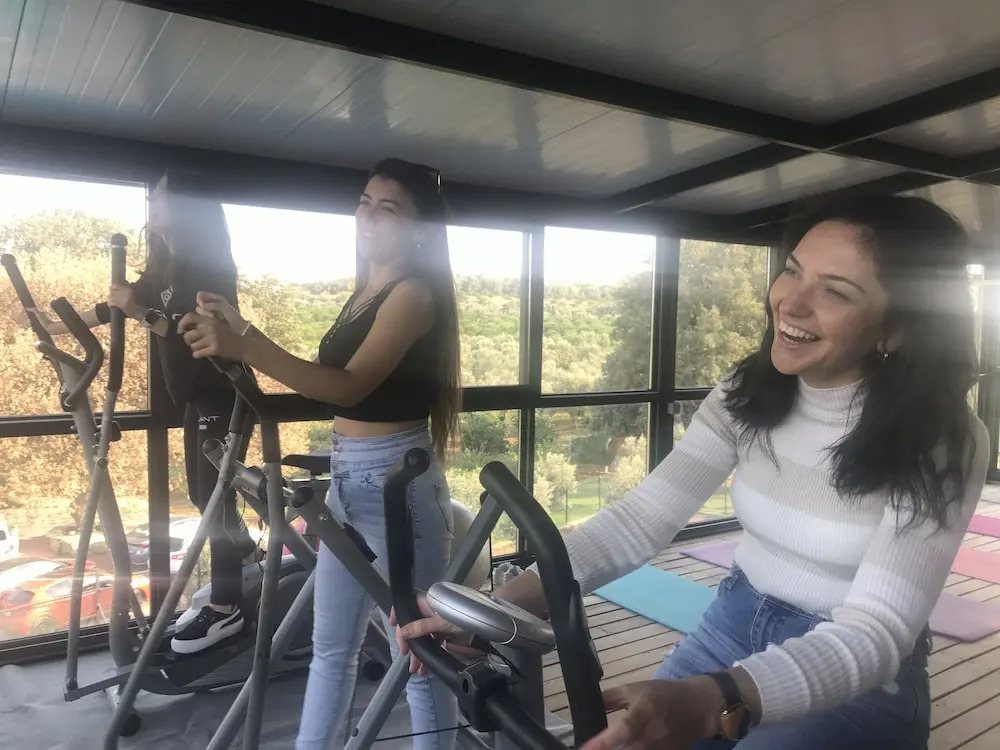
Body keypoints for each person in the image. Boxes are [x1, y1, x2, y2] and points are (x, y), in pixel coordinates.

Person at [396, 196, 990, 750]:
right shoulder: (748, 390)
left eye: (834, 291)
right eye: (792, 270)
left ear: (896, 327)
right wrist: (493, 612)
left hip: (854, 670)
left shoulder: (941, 440)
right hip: (734, 617)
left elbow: (877, 632)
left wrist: (717, 696)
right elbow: (640, 521)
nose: (791, 301)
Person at [178, 158, 462, 750]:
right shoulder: (365, 293)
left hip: (400, 485)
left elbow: (347, 386)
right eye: (364, 202)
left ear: (419, 230)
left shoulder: (413, 295)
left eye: (388, 208)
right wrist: (242, 332)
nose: (368, 216)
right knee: (331, 648)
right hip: (349, 482)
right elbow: (323, 377)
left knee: (419, 656)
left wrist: (245, 344)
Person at [27, 172, 259, 655]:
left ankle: (227, 607)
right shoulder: (164, 268)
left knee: (213, 501)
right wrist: (54, 327)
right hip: (196, 398)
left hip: (225, 392)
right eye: (152, 193)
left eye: (164, 193)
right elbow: (115, 306)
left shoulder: (208, 264)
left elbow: (197, 331)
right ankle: (247, 558)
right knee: (202, 495)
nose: (153, 200)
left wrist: (140, 313)